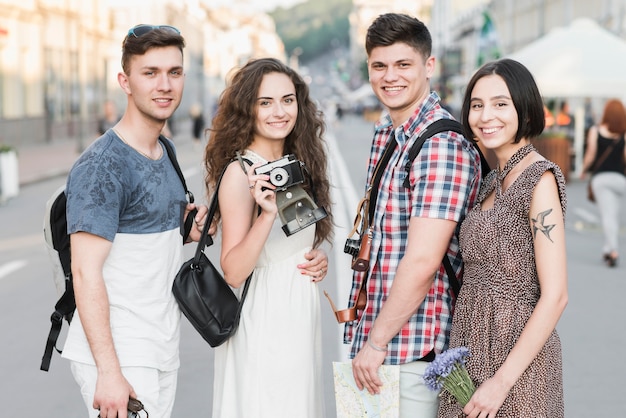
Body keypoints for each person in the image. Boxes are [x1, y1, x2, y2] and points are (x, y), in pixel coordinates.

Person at [62, 24, 208, 418]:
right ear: (125, 81)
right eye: (150, 73)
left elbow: (138, 245)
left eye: (174, 73)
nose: (165, 85)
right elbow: (85, 270)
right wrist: (109, 372)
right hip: (121, 352)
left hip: (159, 344)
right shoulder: (103, 165)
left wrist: (186, 232)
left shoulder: (165, 149)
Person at [344, 13, 483, 417]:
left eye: (403, 64)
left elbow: (424, 260)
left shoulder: (440, 144)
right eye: (379, 66)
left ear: (429, 66)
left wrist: (376, 343)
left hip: (410, 350)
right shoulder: (387, 134)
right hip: (376, 342)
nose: (390, 76)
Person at [438, 58, 568, 417]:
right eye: (477, 105)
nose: (485, 115)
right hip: (470, 345)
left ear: (524, 110)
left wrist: (501, 381)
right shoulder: (491, 180)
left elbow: (556, 295)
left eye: (500, 104)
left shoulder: (539, 179)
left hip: (516, 359)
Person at [204, 57, 333, 417]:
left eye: (287, 100)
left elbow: (292, 243)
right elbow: (233, 270)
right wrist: (267, 215)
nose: (279, 111)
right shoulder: (241, 173)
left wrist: (314, 257)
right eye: (266, 102)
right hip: (267, 318)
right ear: (249, 109)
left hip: (298, 315)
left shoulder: (295, 163)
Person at [580, 98, 626, 267]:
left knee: (608, 215)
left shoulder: (595, 130)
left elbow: (591, 154)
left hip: (601, 179)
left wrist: (584, 170)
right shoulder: (623, 133)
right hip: (620, 180)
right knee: (613, 214)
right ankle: (607, 248)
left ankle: (613, 250)